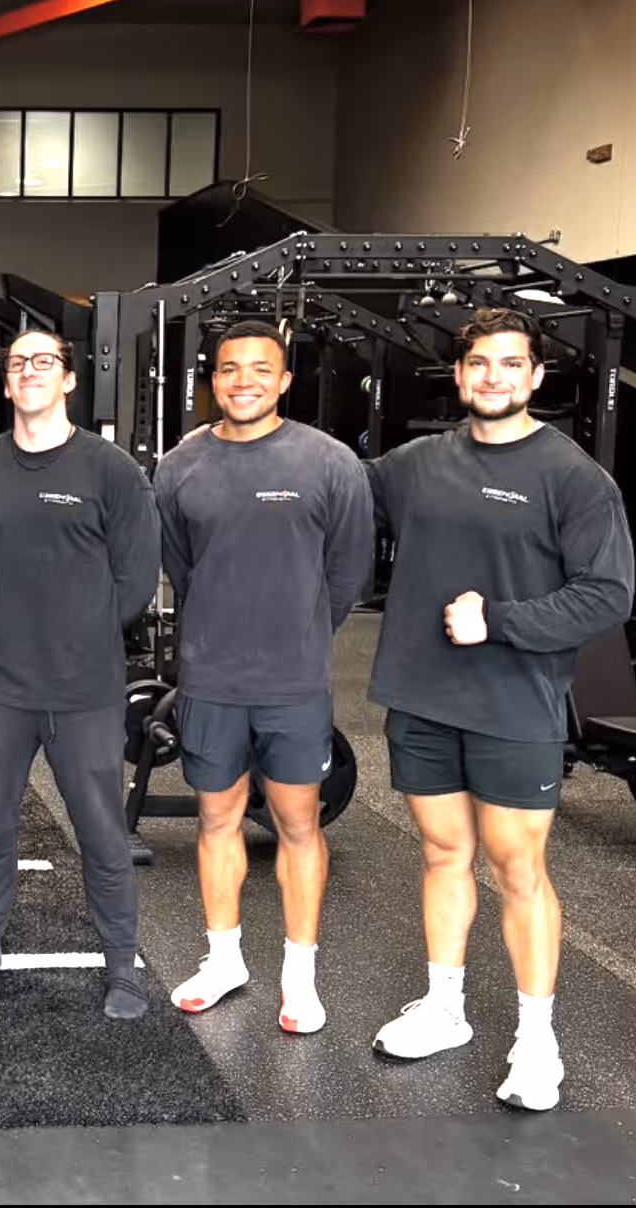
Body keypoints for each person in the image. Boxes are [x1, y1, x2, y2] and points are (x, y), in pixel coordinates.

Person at [363, 307, 633, 1110]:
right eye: (479, 363)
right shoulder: (415, 464)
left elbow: (607, 595)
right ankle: (445, 1009)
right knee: (443, 854)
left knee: (518, 868)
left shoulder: (573, 477)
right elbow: (327, 494)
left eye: (511, 364)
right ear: (458, 375)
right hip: (421, 693)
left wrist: (502, 620)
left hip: (514, 701)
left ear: (536, 376)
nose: (493, 377)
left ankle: (537, 1039)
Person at [152, 319, 375, 1035]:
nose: (242, 380)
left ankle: (299, 979)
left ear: (284, 381)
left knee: (298, 824)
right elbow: (184, 567)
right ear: (213, 380)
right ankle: (224, 961)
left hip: (292, 683)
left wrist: (299, 632)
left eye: (259, 369)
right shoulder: (179, 467)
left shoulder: (329, 462)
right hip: (210, 677)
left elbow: (348, 571)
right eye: (228, 368)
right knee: (216, 820)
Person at [0, 330, 163, 1019]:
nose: (29, 371)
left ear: (68, 379)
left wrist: (82, 635)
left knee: (101, 831)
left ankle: (122, 966)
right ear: (6, 382)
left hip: (84, 685)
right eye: (18, 363)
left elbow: (137, 573)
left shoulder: (110, 470)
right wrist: (8, 625)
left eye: (44, 362)